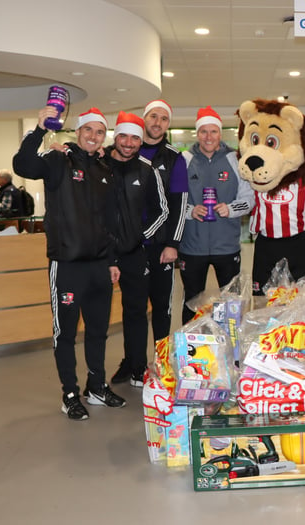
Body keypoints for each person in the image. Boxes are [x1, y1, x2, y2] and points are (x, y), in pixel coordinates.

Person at [12, 106, 125, 420]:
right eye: (88, 129)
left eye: (100, 131)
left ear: (104, 136)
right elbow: (22, 164)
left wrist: (112, 259)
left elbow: (109, 221)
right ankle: (70, 394)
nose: (93, 136)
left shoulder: (105, 169)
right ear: (78, 132)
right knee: (65, 334)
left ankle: (97, 387)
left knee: (98, 331)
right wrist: (38, 130)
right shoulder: (58, 160)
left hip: (100, 266)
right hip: (67, 265)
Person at [111, 100, 188, 385]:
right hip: (129, 247)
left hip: (160, 246)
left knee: (161, 308)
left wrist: (173, 244)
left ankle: (162, 362)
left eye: (164, 118)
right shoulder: (125, 152)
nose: (157, 122)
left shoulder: (174, 158)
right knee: (132, 308)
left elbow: (179, 206)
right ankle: (133, 363)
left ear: (168, 124)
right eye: (153, 116)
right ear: (144, 119)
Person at [106, 111, 168, 387]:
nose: (129, 142)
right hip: (99, 254)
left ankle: (136, 365)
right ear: (115, 137)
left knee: (135, 311)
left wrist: (140, 237)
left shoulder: (146, 170)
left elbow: (162, 211)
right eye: (124, 136)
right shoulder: (98, 166)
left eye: (135, 137)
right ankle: (97, 381)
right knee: (97, 316)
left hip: (133, 253)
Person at [178, 106, 254, 324]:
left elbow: (249, 200)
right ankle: (190, 351)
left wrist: (230, 209)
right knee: (191, 303)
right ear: (197, 134)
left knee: (232, 303)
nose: (208, 137)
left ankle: (233, 353)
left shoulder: (235, 159)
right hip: (192, 247)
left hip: (227, 246)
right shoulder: (183, 160)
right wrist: (191, 211)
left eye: (213, 131)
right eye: (203, 131)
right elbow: (174, 203)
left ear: (220, 133)